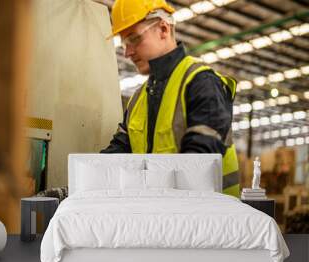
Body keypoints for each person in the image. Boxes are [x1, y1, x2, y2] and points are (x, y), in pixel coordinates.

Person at [100, 0, 240, 197]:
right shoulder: (138, 99)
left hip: (211, 218)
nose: (127, 52)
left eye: (133, 39)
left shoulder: (201, 83)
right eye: (124, 43)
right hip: (163, 215)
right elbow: (119, 152)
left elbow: (199, 164)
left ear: (163, 29)